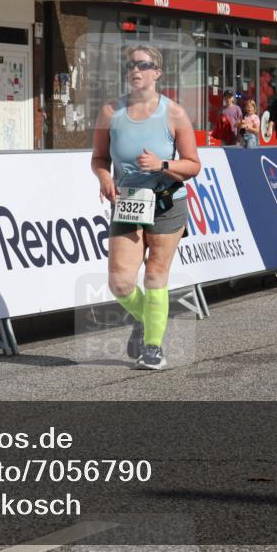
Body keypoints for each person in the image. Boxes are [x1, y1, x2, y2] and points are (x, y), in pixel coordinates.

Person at [91, 45, 201, 370]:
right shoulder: (110, 112)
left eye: (143, 64)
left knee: (155, 274)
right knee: (121, 282)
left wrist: (162, 163)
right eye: (131, 65)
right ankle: (144, 319)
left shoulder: (174, 113)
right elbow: (99, 158)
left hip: (167, 203)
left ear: (157, 72)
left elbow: (193, 165)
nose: (136, 70)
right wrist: (103, 178)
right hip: (127, 204)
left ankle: (153, 347)